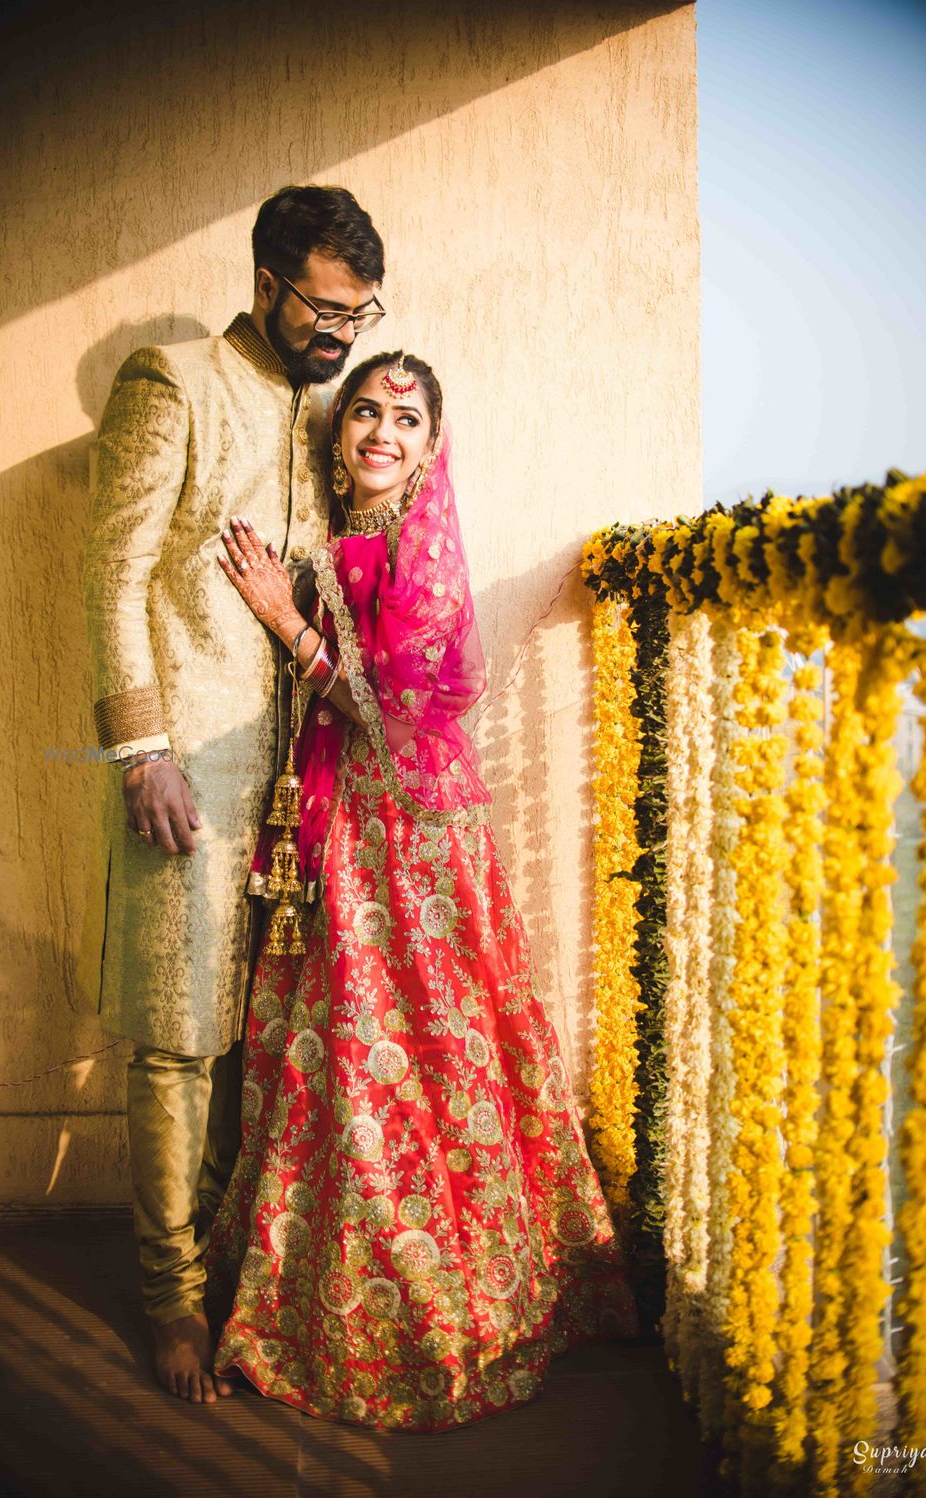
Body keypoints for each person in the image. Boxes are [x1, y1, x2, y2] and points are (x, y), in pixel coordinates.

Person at [207, 351, 638, 1431]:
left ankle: (447, 1301)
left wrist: (284, 618)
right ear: (337, 430)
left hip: (412, 837)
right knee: (342, 1044)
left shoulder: (420, 555)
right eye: (365, 410)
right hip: (339, 821)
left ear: (429, 445)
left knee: (417, 1040)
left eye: (406, 417)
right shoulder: (337, 539)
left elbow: (384, 709)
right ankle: (319, 1293)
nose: (383, 432)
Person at [81, 185, 386, 1405]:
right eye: (324, 307)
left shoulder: (326, 414)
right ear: (265, 279)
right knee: (176, 1038)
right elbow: (111, 578)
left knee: (256, 1042)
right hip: (188, 771)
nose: (342, 331)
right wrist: (141, 749)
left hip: (296, 789)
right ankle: (168, 1300)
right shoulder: (173, 382)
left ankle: (226, 1268)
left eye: (362, 312)